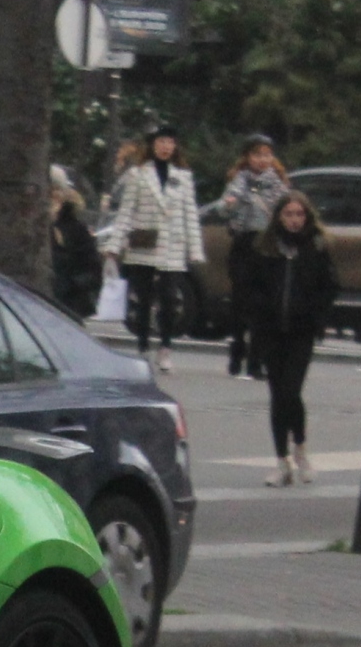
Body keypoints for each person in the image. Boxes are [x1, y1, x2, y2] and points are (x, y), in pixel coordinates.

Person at [231, 190, 335, 487]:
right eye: (288, 214)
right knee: (277, 394)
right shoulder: (264, 247)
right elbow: (248, 285)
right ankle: (281, 461)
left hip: (301, 331)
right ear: (278, 217)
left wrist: (316, 315)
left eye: (299, 215)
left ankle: (299, 447)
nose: (294, 220)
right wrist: (257, 313)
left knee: (292, 390)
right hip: (270, 330)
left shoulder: (315, 247)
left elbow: (329, 286)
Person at [105, 124, 206, 375]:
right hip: (144, 244)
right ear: (152, 145)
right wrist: (114, 247)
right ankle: (142, 345)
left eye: (170, 142)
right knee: (143, 298)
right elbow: (126, 212)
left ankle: (166, 346)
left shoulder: (182, 176)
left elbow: (190, 213)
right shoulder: (138, 175)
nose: (166, 147)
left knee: (170, 298)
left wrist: (195, 249)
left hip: (172, 244)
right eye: (161, 142)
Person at [218, 135, 290, 377]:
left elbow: (288, 212)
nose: (262, 160)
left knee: (265, 307)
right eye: (257, 155)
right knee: (241, 304)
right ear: (247, 157)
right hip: (244, 246)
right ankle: (237, 349)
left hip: (269, 248)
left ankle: (256, 360)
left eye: (267, 155)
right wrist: (230, 204)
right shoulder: (239, 181)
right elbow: (224, 208)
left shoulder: (279, 185)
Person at [50, 167, 103, 319]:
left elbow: (92, 269)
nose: (53, 195)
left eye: (56, 189)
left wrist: (70, 285)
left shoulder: (75, 228)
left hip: (67, 305)